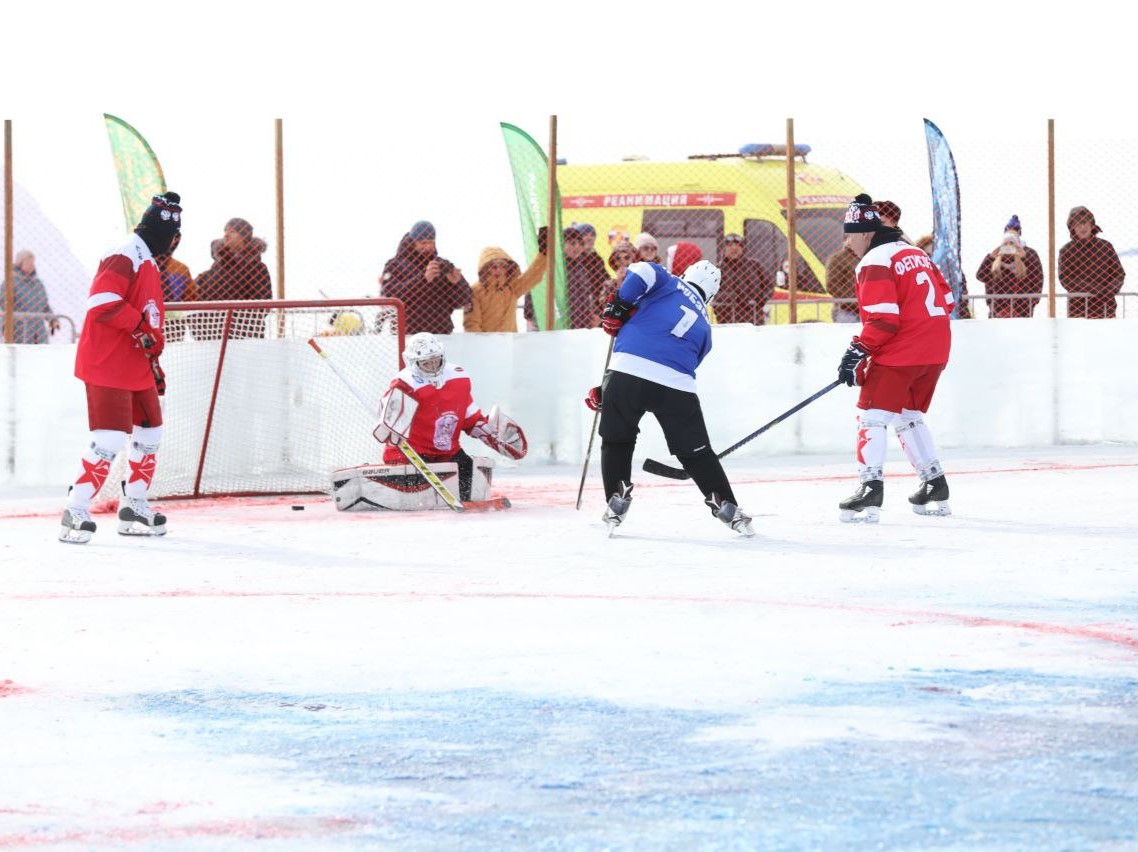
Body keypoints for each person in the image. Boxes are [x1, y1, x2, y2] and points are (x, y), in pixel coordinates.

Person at [585, 257, 755, 538]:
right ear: (711, 296)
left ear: (685, 274)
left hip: (627, 371)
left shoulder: (669, 282)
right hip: (676, 387)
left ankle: (617, 497)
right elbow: (678, 362)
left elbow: (642, 269)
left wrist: (619, 304)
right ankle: (726, 505)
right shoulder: (706, 329)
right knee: (697, 454)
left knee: (617, 438)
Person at [59, 191, 182, 544]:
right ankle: (75, 510)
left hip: (136, 364)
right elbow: (102, 302)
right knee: (109, 440)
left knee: (150, 434)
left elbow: (147, 314)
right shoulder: (124, 252)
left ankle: (134, 507)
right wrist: (142, 330)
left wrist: (153, 357)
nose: (174, 242)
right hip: (108, 362)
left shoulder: (149, 260)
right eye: (172, 233)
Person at [834, 194, 955, 523]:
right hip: (936, 348)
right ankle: (934, 483)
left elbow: (884, 319)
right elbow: (948, 299)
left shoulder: (874, 261)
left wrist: (857, 350)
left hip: (903, 351)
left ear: (863, 234)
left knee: (871, 416)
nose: (847, 244)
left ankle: (869, 487)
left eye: (848, 235)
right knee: (908, 415)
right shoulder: (916, 253)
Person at [372, 332, 528, 501]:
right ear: (413, 362)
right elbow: (387, 414)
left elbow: (469, 418)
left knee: (468, 469)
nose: (432, 366)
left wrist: (487, 431)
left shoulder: (458, 378)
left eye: (435, 360)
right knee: (417, 492)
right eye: (426, 363)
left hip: (447, 450)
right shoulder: (405, 383)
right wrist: (387, 423)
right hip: (412, 453)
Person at [379, 220, 472, 335]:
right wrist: (423, 280)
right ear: (413, 243)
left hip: (441, 333)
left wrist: (456, 283)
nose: (427, 247)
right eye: (423, 243)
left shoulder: (442, 266)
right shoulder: (395, 265)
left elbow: (464, 302)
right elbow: (389, 295)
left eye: (431, 242)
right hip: (407, 334)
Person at [194, 217, 272, 339]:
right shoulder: (216, 267)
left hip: (244, 334)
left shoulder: (257, 268)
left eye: (232, 231)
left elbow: (263, 304)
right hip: (213, 332)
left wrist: (240, 323)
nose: (226, 234)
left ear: (244, 237)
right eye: (225, 230)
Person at [463, 229, 548, 333]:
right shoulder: (475, 291)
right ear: (485, 268)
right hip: (486, 344)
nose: (498, 270)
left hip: (509, 342)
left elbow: (532, 275)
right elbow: (471, 323)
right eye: (493, 267)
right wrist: (480, 345)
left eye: (502, 266)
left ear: (507, 268)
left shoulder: (511, 288)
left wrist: (543, 253)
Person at [1058, 206, 1125, 319]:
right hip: (1078, 309)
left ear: (1091, 224)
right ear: (1072, 227)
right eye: (1078, 223)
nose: (1082, 227)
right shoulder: (1066, 251)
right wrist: (1093, 289)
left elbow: (1119, 274)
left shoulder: (1106, 247)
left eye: (1085, 222)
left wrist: (1109, 290)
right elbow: (1065, 279)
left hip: (1105, 307)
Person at [974, 216, 1044, 319]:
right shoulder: (996, 260)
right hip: (997, 311)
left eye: (1012, 243)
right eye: (1005, 243)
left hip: (1022, 310)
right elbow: (981, 276)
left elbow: (1037, 279)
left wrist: (1025, 258)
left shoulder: (1029, 254)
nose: (1008, 246)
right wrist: (990, 258)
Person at [715, 233, 775, 325]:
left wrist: (760, 299)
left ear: (743, 249)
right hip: (727, 320)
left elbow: (769, 287)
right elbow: (711, 294)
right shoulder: (716, 270)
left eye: (738, 245)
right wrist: (732, 298)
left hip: (754, 318)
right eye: (730, 245)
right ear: (724, 249)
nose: (734, 248)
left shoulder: (755, 266)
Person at [2, 250, 58, 343]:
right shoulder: (10, 282)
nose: (32, 265)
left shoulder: (37, 284)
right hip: (19, 329)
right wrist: (4, 326)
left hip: (39, 331)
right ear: (20, 263)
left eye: (33, 262)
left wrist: (52, 320)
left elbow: (45, 306)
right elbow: (3, 306)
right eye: (28, 262)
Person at [155, 231, 196, 341]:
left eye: (172, 238)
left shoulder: (181, 269)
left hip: (174, 327)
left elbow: (191, 298)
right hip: (146, 323)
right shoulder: (141, 266)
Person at [564, 227, 602, 329]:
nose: (577, 247)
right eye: (572, 243)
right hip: (563, 323)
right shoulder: (557, 268)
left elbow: (588, 296)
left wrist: (593, 314)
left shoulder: (581, 268)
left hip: (582, 324)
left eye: (580, 244)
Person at [825, 236, 861, 323]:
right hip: (846, 310)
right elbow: (832, 285)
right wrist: (853, 301)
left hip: (866, 308)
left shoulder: (866, 257)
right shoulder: (837, 259)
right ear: (846, 241)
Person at [597, 240, 638, 310]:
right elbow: (606, 308)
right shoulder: (609, 284)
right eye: (618, 258)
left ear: (633, 260)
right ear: (614, 262)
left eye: (627, 257)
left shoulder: (641, 281)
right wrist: (618, 283)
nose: (623, 262)